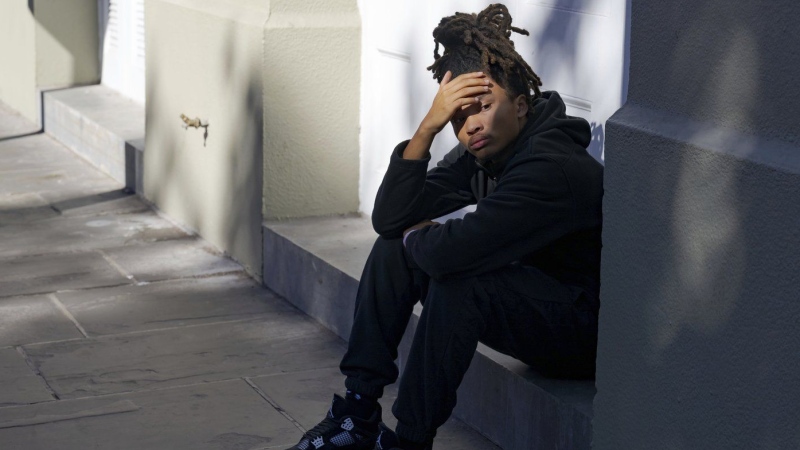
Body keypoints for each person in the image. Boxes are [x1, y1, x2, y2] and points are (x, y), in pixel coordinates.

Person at [288, 3, 603, 450]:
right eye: (458, 117)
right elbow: (390, 219)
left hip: (580, 334)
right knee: (395, 245)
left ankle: (410, 442)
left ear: (520, 103)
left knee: (461, 283)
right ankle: (356, 414)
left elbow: (451, 253)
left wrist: (420, 235)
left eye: (484, 106)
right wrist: (428, 128)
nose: (471, 125)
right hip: (537, 304)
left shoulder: (552, 168)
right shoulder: (486, 149)